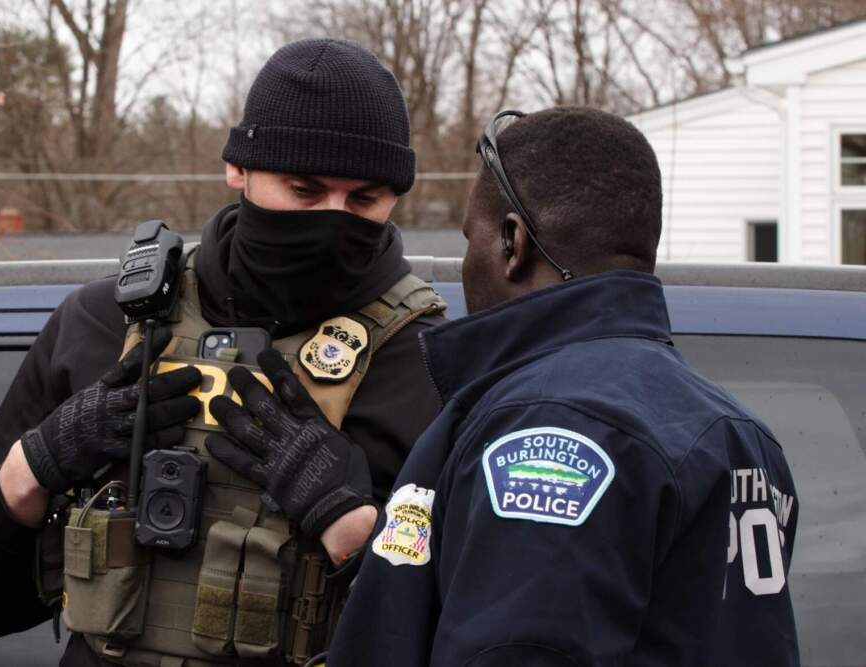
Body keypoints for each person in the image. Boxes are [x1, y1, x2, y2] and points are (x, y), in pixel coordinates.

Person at [209, 107, 800, 666]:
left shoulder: (551, 430)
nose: (468, 266)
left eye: (472, 240)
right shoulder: (737, 431)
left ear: (512, 242)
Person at [0, 38, 446, 666]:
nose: (334, 219)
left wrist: (352, 529)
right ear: (238, 169)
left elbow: (463, 631)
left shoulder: (429, 363)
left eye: (365, 200)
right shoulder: (100, 325)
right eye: (305, 190)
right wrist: (39, 462)